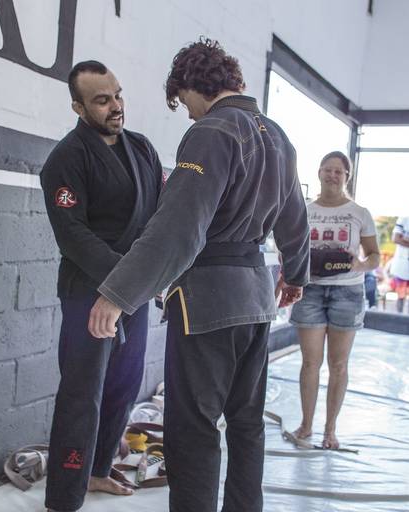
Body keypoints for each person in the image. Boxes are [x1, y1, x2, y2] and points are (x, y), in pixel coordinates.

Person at [86, 39, 309, 512]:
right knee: (246, 423)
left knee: (193, 428)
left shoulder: (211, 131)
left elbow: (178, 229)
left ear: (193, 85)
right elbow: (296, 218)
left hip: (208, 300)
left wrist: (118, 294)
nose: (186, 112)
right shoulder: (278, 135)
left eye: (183, 100)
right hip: (256, 298)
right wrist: (295, 273)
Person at [40, 61, 163, 511]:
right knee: (82, 392)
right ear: (78, 107)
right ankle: (65, 493)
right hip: (88, 290)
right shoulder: (66, 158)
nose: (116, 106)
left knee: (125, 382)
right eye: (102, 100)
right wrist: (125, 276)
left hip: (134, 290)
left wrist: (151, 275)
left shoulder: (142, 148)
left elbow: (161, 214)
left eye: (118, 95)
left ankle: (97, 468)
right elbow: (72, 234)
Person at [288, 151, 380, 449]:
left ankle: (330, 430)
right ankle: (306, 425)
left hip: (347, 292)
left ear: (346, 177)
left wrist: (360, 265)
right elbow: (290, 248)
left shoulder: (359, 213)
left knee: (338, 364)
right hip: (311, 290)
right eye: (327, 170)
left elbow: (375, 256)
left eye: (338, 171)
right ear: (318, 173)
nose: (332, 175)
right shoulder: (304, 210)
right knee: (310, 363)